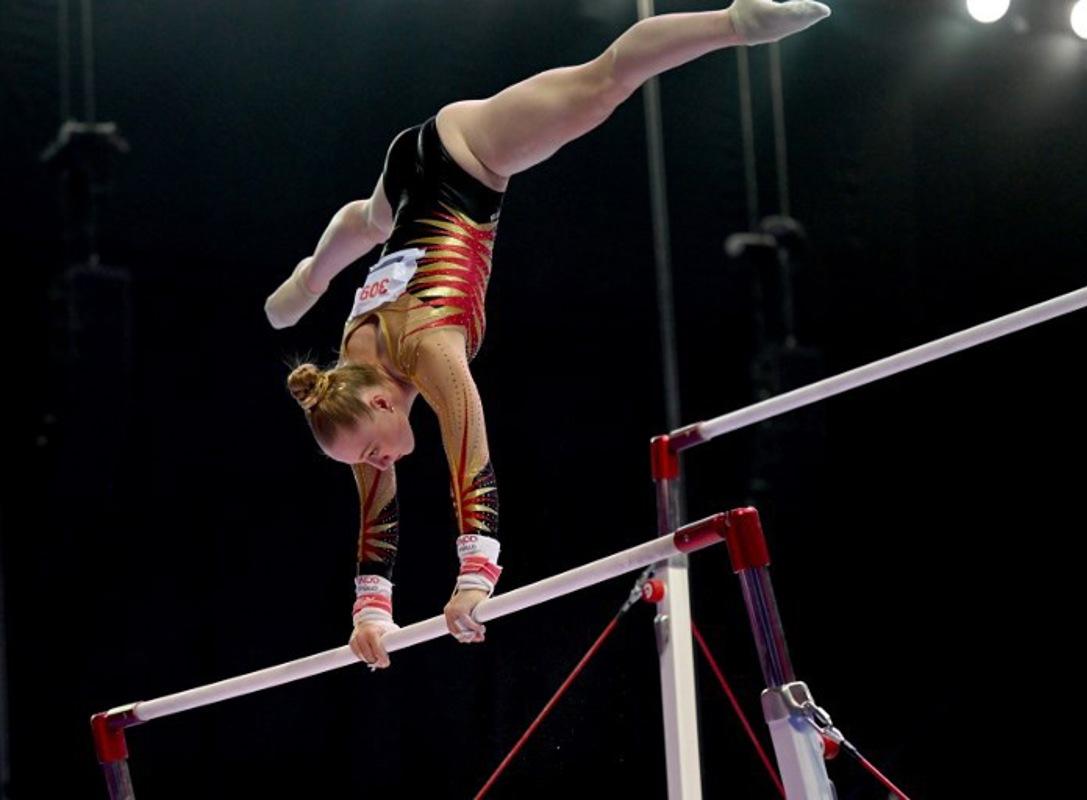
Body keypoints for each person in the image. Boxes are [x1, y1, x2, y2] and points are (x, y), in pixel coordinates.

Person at [265, 0, 831, 670]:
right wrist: (370, 612)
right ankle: (308, 279)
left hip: (461, 152)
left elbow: (467, 446)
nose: (379, 466)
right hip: (401, 178)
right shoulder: (352, 382)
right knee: (369, 217)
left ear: (384, 403)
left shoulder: (427, 346)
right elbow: (376, 509)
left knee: (603, 84)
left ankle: (738, 22)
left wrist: (475, 572)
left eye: (373, 454)